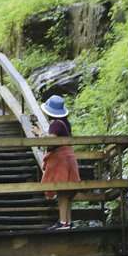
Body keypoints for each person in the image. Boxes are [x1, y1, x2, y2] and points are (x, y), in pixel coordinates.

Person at [38, 95, 80, 230]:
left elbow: (51, 140)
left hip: (62, 160)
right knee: (67, 193)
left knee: (62, 192)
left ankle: (63, 223)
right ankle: (67, 222)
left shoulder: (55, 124)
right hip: (69, 158)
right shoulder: (65, 124)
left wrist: (40, 134)